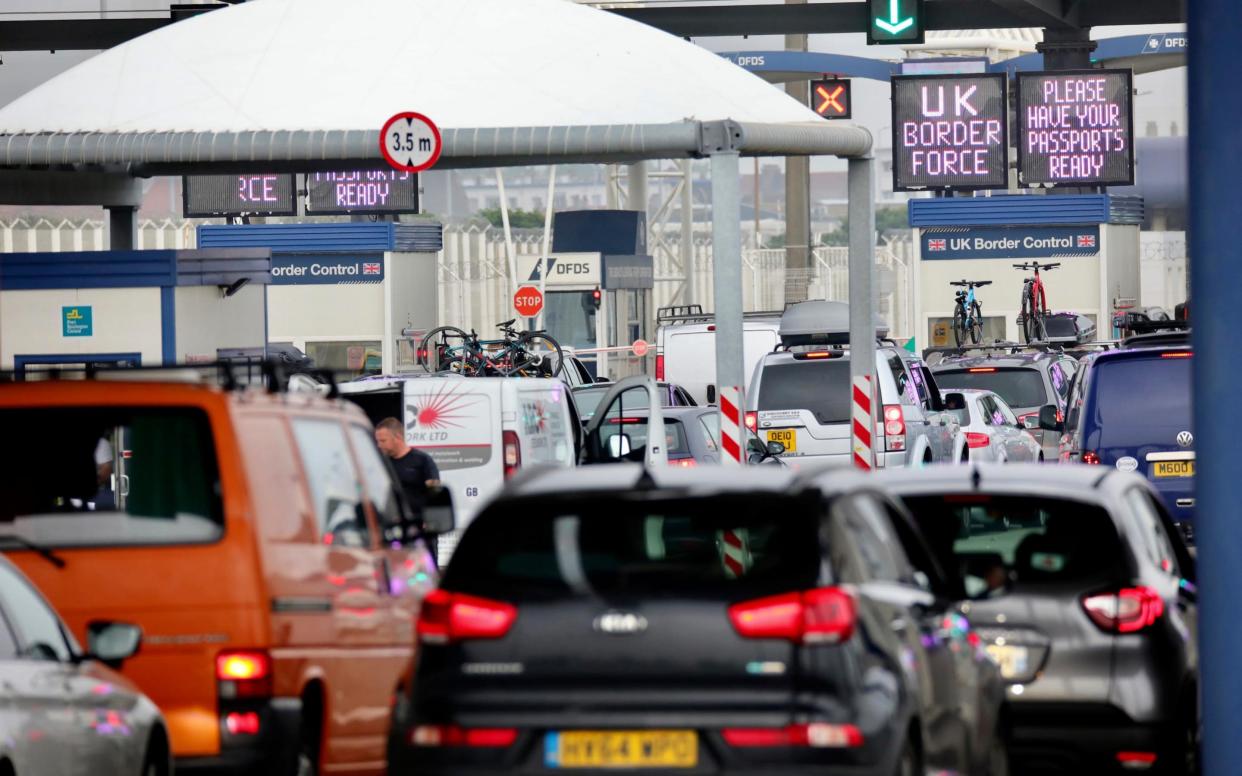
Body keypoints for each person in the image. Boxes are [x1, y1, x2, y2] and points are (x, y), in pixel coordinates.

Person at [374, 417, 440, 516]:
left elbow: (434, 493)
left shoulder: (423, 460)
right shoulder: (381, 464)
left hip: (418, 522)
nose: (379, 445)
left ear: (398, 437)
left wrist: (429, 519)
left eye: (383, 441)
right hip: (390, 522)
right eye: (377, 441)